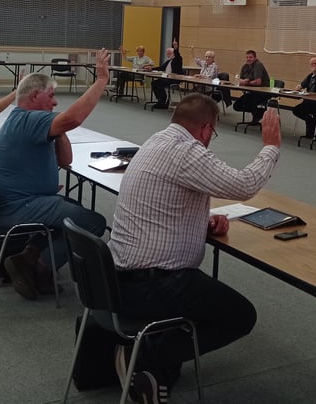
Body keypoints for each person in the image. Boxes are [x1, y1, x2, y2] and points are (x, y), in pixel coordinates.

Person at [107, 93, 281, 402]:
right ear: (204, 129)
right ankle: (146, 354)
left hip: (121, 278)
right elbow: (243, 185)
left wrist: (204, 220)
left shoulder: (156, 142)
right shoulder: (186, 151)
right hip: (152, 284)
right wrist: (270, 146)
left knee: (210, 300)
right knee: (240, 316)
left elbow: (163, 204)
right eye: (212, 134)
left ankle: (151, 357)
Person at [0, 51, 110, 301]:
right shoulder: (30, 119)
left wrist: (57, 129)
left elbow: (66, 160)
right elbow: (74, 118)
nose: (55, 104)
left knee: (73, 212)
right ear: (34, 96)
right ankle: (38, 267)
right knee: (93, 222)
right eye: (51, 96)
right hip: (19, 206)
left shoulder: (22, 120)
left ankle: (28, 257)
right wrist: (100, 81)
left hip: (19, 201)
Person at [292, 48, 316, 139]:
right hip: (309, 101)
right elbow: (300, 86)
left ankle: (313, 128)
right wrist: (298, 87)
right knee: (297, 110)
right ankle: (313, 125)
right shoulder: (310, 76)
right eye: (312, 64)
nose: (314, 65)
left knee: (308, 111)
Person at [232, 49, 271, 123]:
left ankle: (260, 112)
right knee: (237, 106)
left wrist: (246, 83)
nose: (248, 59)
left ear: (255, 58)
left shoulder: (258, 65)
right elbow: (240, 79)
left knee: (251, 102)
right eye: (247, 57)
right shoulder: (245, 66)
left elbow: (258, 82)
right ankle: (258, 112)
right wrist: (241, 81)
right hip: (251, 92)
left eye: (250, 57)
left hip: (263, 93)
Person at [149, 40, 183, 109]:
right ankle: (160, 100)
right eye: (167, 54)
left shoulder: (178, 59)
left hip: (174, 79)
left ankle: (162, 101)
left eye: (169, 53)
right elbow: (161, 67)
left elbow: (178, 55)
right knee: (154, 83)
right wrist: (151, 69)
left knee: (159, 84)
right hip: (167, 78)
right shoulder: (168, 61)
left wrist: (176, 48)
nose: (168, 55)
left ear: (173, 53)